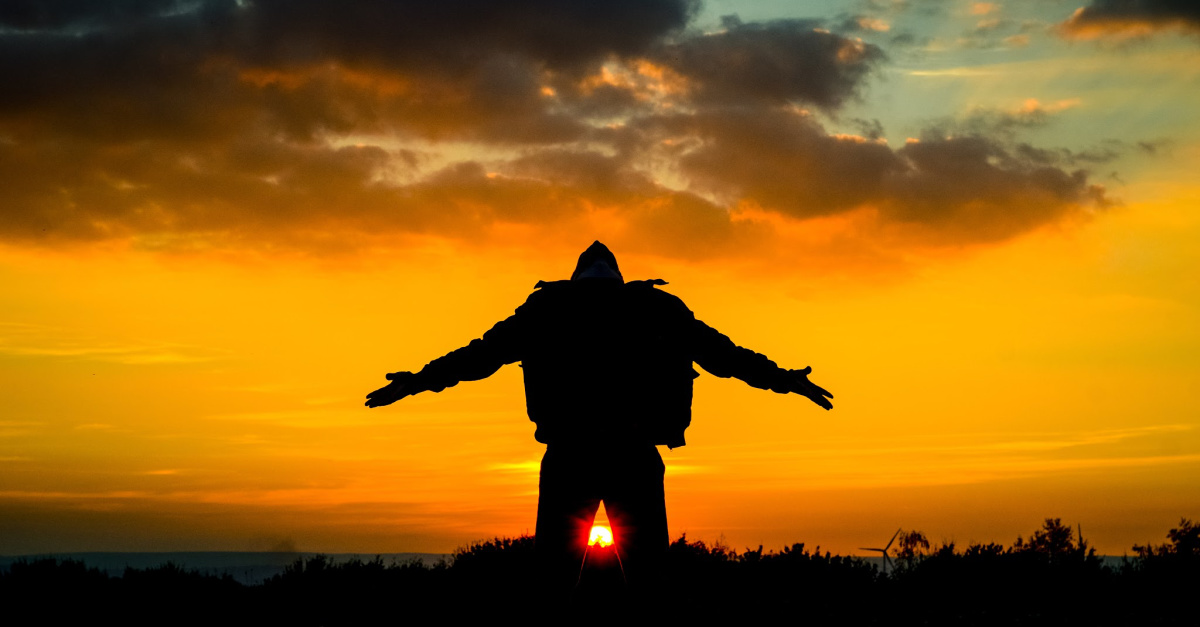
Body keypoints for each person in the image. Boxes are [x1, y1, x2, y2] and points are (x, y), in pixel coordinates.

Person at [365, 241, 832, 596]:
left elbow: (476, 358)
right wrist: (788, 380)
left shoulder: (547, 311)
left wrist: (413, 382)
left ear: (575, 276)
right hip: (634, 455)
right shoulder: (656, 310)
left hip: (570, 456)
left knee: (554, 579)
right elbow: (726, 356)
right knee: (650, 580)